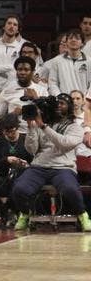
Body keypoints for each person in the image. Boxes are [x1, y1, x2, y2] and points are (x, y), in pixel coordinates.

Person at [11, 96, 91, 231]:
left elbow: (64, 144)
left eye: (62, 103)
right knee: (19, 189)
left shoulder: (75, 127)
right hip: (39, 167)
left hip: (63, 168)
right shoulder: (38, 124)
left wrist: (43, 126)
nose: (59, 106)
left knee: (70, 189)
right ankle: (25, 213)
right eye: (57, 104)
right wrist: (31, 127)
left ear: (70, 107)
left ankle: (82, 214)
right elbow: (31, 150)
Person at [0, 113, 32, 222]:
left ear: (17, 128)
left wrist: (25, 164)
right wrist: (6, 160)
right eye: (6, 132)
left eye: (12, 131)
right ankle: (6, 213)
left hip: (23, 177)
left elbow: (34, 161)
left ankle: (19, 212)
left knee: (18, 187)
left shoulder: (26, 140)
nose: (9, 134)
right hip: (5, 177)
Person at [0, 57, 48, 134]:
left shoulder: (42, 90)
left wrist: (36, 99)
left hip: (38, 133)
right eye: (20, 70)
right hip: (15, 135)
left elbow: (48, 117)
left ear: (33, 72)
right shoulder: (7, 90)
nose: (22, 72)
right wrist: (13, 115)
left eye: (26, 70)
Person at [47, 29, 91, 96]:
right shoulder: (57, 61)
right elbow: (52, 83)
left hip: (83, 102)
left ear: (82, 43)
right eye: (70, 38)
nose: (73, 40)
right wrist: (60, 97)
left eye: (77, 38)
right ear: (66, 42)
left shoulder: (89, 61)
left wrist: (86, 99)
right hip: (63, 102)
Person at [0, 15, 28, 80]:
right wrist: (11, 67)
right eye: (9, 23)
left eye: (15, 25)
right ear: (3, 27)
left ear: (18, 30)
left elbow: (20, 67)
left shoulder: (21, 47)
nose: (11, 26)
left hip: (13, 85)